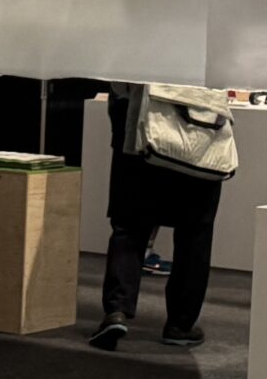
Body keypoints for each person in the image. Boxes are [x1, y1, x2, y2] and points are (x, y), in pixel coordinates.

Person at [91, 84, 222, 351]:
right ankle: (180, 324)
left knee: (130, 224)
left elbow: (119, 81)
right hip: (199, 127)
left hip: (140, 124)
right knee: (195, 230)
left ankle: (116, 310)